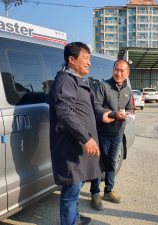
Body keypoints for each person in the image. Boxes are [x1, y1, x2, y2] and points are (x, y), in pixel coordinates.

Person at [46, 42, 114, 225]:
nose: (89, 63)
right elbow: (65, 112)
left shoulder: (77, 80)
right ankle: (69, 221)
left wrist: (102, 117)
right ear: (71, 59)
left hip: (79, 145)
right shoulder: (65, 80)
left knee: (78, 184)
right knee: (71, 189)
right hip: (72, 145)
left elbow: (85, 110)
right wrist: (86, 138)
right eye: (86, 58)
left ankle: (74, 217)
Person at [90, 59, 133, 210]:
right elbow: (95, 107)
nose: (118, 73)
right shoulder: (103, 86)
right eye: (116, 69)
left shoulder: (128, 90)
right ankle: (95, 194)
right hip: (103, 132)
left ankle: (108, 191)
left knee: (112, 164)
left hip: (118, 133)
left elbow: (130, 108)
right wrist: (115, 114)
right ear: (113, 70)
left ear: (127, 73)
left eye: (122, 71)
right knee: (99, 164)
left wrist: (128, 115)